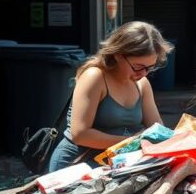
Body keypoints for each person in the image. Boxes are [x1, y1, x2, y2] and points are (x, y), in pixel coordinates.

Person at [48, 22, 171, 172]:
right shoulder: (95, 77)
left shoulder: (142, 84)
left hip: (115, 164)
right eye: (138, 67)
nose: (143, 73)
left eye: (150, 68)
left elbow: (157, 130)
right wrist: (133, 142)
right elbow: (80, 134)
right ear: (118, 55)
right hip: (76, 165)